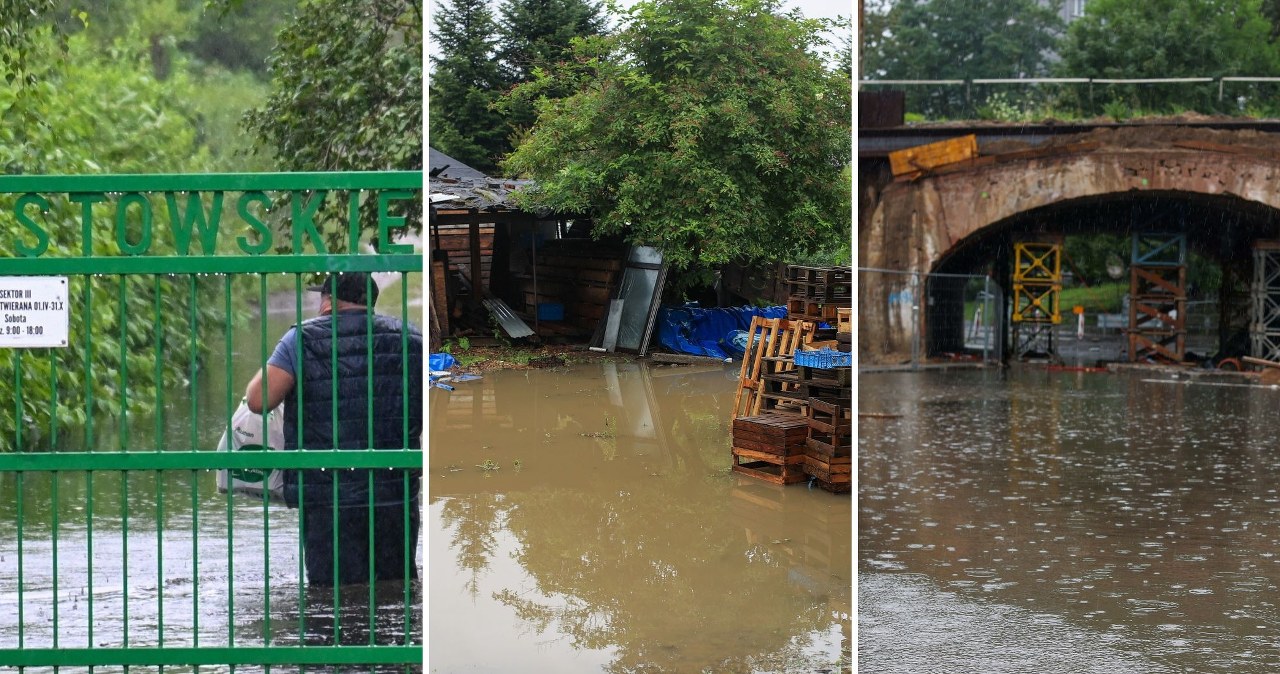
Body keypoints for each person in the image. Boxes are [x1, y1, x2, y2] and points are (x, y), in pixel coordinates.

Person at [245, 271, 424, 586]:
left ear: (328, 301)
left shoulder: (301, 339)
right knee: (395, 589)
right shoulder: (411, 339)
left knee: (331, 593)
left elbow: (257, 400)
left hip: (327, 495)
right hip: (393, 491)